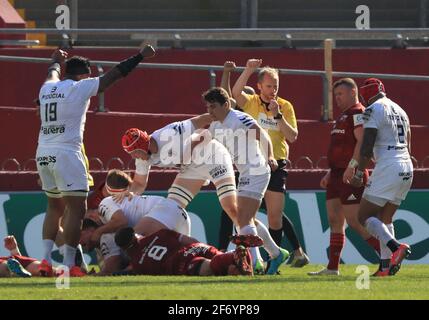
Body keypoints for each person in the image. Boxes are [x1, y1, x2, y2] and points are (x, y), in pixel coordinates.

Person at [36, 45, 156, 276]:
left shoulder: (47, 87)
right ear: (83, 75)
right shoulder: (80, 87)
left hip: (43, 152)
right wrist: (140, 56)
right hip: (67, 153)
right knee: (76, 208)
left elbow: (52, 72)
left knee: (54, 208)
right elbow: (115, 75)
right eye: (88, 75)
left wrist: (54, 60)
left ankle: (45, 260)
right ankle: (70, 265)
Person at [202, 87, 289, 275]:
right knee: (247, 220)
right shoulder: (215, 125)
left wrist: (271, 156)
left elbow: (262, 135)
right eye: (208, 107)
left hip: (257, 169)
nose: (210, 111)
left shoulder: (238, 118)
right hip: (245, 172)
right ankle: (275, 253)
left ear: (226, 105)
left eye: (213, 107)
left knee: (242, 219)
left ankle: (256, 262)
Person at [231, 59, 309, 267]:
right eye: (268, 86)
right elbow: (235, 92)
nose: (272, 90)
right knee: (248, 216)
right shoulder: (251, 102)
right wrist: (248, 70)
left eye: (276, 86)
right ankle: (256, 259)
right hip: (252, 164)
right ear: (259, 86)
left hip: (277, 165)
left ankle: (273, 259)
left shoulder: (285, 106)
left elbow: (292, 136)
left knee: (275, 217)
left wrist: (278, 116)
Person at [308, 78, 381, 276]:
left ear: (353, 93)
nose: (337, 98)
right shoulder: (343, 117)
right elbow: (341, 148)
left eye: (340, 94)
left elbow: (361, 141)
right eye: (335, 95)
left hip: (351, 174)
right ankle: (333, 267)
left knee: (355, 221)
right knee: (334, 219)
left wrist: (353, 166)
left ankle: (387, 255)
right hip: (337, 175)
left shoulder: (357, 112)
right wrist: (331, 172)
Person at [121, 115, 239, 225]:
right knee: (170, 209)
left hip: (212, 156)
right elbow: (139, 183)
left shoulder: (170, 133)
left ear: (143, 146)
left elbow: (202, 123)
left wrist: (228, 118)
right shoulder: (142, 159)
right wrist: (128, 193)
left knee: (230, 207)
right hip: (192, 167)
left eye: (135, 153)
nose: (133, 157)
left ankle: (251, 234)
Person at [350, 78, 413, 276]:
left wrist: (359, 172)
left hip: (388, 164)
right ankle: (385, 267)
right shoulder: (401, 110)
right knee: (385, 218)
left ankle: (396, 248)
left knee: (364, 216)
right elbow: (409, 142)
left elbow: (367, 145)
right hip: (406, 165)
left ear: (365, 95)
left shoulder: (372, 110)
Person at [114, 227, 262, 276]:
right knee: (228, 267)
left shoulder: (136, 263)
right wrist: (205, 246)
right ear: (137, 235)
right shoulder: (160, 233)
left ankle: (236, 254)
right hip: (195, 247)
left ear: (125, 248)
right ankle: (238, 254)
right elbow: (188, 240)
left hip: (180, 260)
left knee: (209, 267)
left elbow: (127, 270)